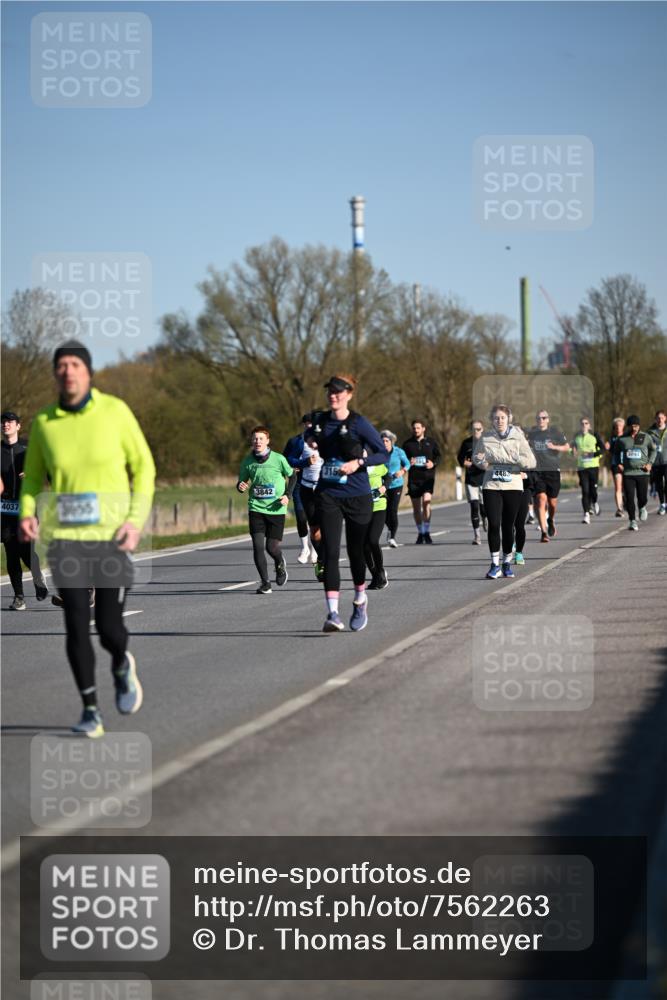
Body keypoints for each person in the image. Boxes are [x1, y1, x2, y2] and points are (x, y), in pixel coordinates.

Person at [19, 340, 155, 738]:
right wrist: (28, 512)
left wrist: (135, 520)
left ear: (88, 371)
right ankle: (90, 709)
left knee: (110, 629)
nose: (68, 370)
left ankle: (120, 665)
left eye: (75, 363)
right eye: (61, 365)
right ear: (55, 373)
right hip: (66, 542)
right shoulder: (45, 423)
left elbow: (144, 468)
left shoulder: (115, 412)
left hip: (112, 539)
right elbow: (32, 480)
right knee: (76, 626)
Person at [307, 374, 387, 633]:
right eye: (330, 391)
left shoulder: (359, 423)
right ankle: (332, 613)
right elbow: (308, 437)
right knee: (329, 551)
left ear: (349, 394)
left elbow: (382, 454)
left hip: (357, 495)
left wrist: (358, 463)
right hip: (329, 493)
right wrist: (310, 442)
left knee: (355, 551)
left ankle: (360, 599)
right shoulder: (320, 421)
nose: (333, 395)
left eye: (339, 391)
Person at [473, 405, 536, 579]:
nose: (499, 421)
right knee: (493, 524)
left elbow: (531, 461)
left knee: (508, 526)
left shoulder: (518, 436)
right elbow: (476, 457)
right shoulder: (486, 437)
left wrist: (512, 460)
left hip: (513, 485)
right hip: (492, 485)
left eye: (502, 418)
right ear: (492, 420)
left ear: (509, 419)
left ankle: (506, 562)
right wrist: (483, 462)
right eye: (496, 418)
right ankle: (494, 564)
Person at [238, 426, 296, 594]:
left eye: (261, 439)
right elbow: (242, 482)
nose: (257, 442)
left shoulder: (278, 459)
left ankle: (280, 563)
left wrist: (287, 495)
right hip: (256, 508)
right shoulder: (247, 461)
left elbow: (293, 476)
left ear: (267, 441)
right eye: (255, 439)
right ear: (252, 441)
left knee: (272, 547)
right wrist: (241, 486)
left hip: (277, 509)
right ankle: (265, 583)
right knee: (257, 546)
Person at [1, 411, 49, 609]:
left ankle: (38, 579)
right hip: (4, 508)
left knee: (27, 551)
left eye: (10, 422)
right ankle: (19, 597)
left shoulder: (28, 447)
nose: (6, 425)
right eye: (3, 422)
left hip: (26, 506)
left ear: (18, 426)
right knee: (11, 553)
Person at [526, 409, 570, 543]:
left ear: (548, 419)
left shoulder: (555, 432)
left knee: (552, 503)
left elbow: (567, 447)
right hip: (537, 471)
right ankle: (544, 532)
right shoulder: (532, 434)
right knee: (540, 500)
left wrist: (555, 447)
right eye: (539, 418)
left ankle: (550, 519)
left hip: (553, 471)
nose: (541, 420)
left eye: (544, 418)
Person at [613, 415, 657, 530]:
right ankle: (632, 521)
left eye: (636, 426)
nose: (634, 428)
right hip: (628, 473)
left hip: (643, 473)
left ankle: (642, 507)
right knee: (629, 498)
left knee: (642, 497)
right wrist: (619, 463)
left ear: (639, 426)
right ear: (628, 426)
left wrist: (649, 464)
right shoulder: (622, 439)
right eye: (632, 426)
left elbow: (653, 450)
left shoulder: (645, 437)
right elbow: (616, 452)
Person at [292, 423, 325, 579]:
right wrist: (302, 463)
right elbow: (287, 459)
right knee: (315, 531)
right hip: (306, 488)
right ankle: (318, 556)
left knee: (329, 527)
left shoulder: (331, 441)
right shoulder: (299, 443)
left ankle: (325, 561)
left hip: (327, 490)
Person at [283, 415, 317, 565]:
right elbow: (286, 459)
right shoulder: (296, 441)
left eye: (312, 423)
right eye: (307, 423)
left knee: (315, 519)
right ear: (303, 425)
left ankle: (315, 549)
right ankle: (305, 548)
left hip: (317, 484)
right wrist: (300, 463)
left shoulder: (324, 441)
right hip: (299, 483)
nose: (309, 426)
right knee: (301, 517)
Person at [402, 420, 441, 544]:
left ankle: (427, 531)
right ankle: (420, 532)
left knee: (426, 503)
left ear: (423, 428)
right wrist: (409, 461)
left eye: (418, 428)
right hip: (414, 479)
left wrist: (433, 463)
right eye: (414, 428)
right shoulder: (407, 444)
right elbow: (402, 460)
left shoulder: (431, 442)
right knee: (416, 508)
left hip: (427, 478)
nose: (416, 430)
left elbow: (439, 456)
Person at [457, 421, 487, 545]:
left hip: (485, 479)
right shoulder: (466, 443)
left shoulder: (488, 442)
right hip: (471, 479)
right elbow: (460, 458)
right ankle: (477, 536)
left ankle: (485, 518)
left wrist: (485, 461)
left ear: (482, 429)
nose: (476, 431)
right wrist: (464, 463)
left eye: (479, 429)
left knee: (483, 508)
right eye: (474, 429)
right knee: (474, 507)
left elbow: (494, 458)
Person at [571, 417, 605, 524]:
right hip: (582, 467)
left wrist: (592, 454)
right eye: (582, 423)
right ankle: (586, 514)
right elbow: (571, 449)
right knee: (585, 491)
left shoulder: (595, 436)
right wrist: (572, 452)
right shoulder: (576, 437)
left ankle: (594, 502)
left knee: (593, 490)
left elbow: (603, 449)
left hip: (593, 467)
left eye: (586, 423)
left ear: (589, 425)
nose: (584, 425)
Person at [380, 429, 410, 547]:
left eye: (387, 441)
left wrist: (402, 471)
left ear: (391, 442)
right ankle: (390, 529)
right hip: (382, 486)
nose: (385, 443)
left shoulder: (398, 452)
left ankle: (392, 537)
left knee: (392, 510)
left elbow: (407, 464)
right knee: (384, 512)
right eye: (382, 441)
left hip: (396, 484)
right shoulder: (378, 453)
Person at [364, 460, 391, 589]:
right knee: (364, 546)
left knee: (373, 540)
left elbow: (388, 476)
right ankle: (375, 576)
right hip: (362, 509)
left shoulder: (378, 465)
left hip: (379, 506)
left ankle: (380, 572)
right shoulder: (357, 467)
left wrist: (384, 487)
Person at [648, 410, 667, 515]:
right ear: (655, 419)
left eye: (662, 418)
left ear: (665, 418)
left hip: (666, 460)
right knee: (659, 484)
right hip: (656, 462)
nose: (660, 420)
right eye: (658, 418)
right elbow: (645, 446)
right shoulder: (650, 432)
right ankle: (662, 504)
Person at [608, 417, 626, 517]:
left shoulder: (627, 437)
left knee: (626, 488)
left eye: (620, 425)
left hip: (627, 465)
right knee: (618, 487)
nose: (618, 428)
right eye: (616, 426)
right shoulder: (612, 438)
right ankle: (619, 509)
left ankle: (625, 501)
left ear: (623, 426)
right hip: (616, 465)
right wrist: (607, 447)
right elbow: (610, 451)